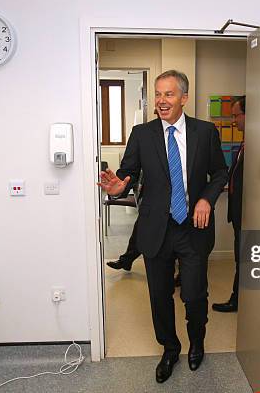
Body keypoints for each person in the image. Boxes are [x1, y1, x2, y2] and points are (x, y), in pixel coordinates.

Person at [98, 70, 228, 383]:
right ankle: (170, 348)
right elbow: (127, 175)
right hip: (157, 228)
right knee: (159, 295)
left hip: (193, 229)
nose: (161, 100)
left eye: (168, 94)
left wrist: (206, 199)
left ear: (184, 98)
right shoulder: (141, 134)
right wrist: (119, 187)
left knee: (195, 295)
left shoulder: (205, 132)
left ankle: (197, 343)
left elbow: (220, 173)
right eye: (158, 94)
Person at [212, 96, 245, 313]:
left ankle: (237, 300)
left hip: (248, 215)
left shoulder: (259, 145)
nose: (233, 121)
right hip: (238, 214)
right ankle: (238, 299)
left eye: (236, 115)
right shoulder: (244, 144)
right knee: (240, 259)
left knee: (244, 260)